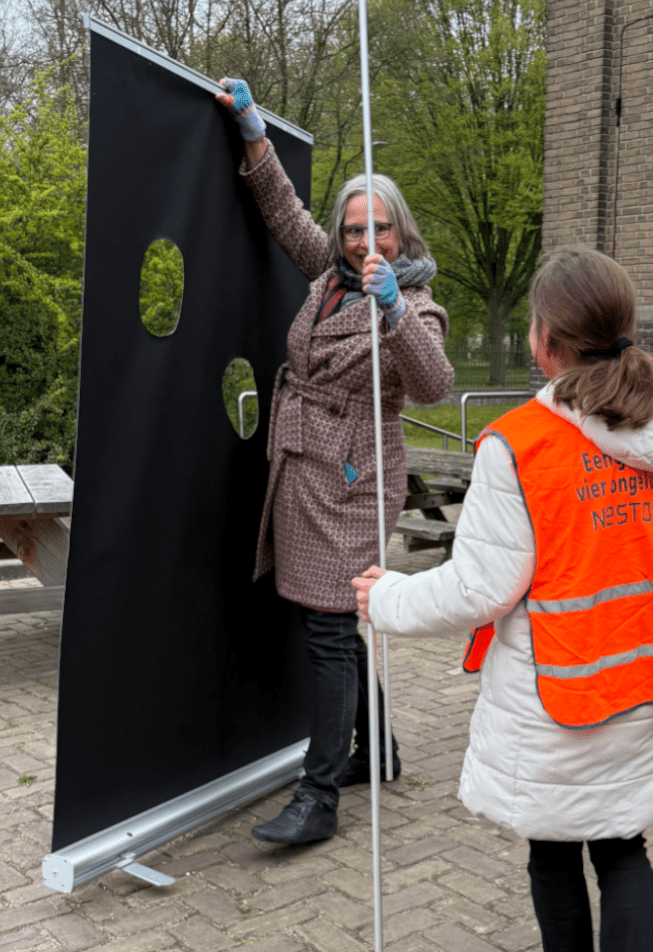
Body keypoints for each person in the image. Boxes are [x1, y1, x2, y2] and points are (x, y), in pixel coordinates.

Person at [352, 246, 653, 951]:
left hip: (558, 702)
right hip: (647, 689)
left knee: (553, 853)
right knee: (623, 850)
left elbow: (480, 588)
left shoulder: (520, 445)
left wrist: (390, 597)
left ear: (544, 341)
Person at [214, 77, 454, 844]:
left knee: (326, 632)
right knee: (335, 629)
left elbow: (436, 387)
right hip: (299, 471)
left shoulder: (415, 305)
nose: (364, 243)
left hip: (352, 484)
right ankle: (375, 750)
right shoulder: (327, 275)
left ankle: (320, 799)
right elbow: (283, 209)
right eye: (354, 229)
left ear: (402, 235)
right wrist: (254, 135)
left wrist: (392, 309)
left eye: (379, 230)